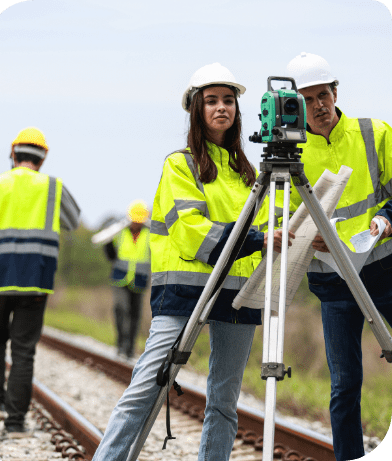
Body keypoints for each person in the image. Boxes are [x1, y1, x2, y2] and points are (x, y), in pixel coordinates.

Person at [92, 63, 294, 461]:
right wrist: (257, 239)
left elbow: (273, 221)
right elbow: (191, 231)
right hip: (186, 292)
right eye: (212, 101)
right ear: (196, 110)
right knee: (147, 387)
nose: (223, 108)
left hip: (238, 294)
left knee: (224, 403)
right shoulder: (180, 164)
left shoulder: (246, 172)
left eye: (229, 100)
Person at [286, 52, 392, 461]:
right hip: (333, 284)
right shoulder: (291, 153)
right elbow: (278, 223)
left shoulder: (374, 133)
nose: (319, 106)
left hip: (383, 269)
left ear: (335, 92)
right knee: (344, 384)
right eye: (308, 99)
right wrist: (305, 236)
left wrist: (385, 220)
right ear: (296, 105)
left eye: (324, 95)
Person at [0, 127, 80, 437]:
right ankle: (14, 423)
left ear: (13, 154)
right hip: (35, 280)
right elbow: (72, 222)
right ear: (43, 157)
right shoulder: (52, 187)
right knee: (24, 350)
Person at [103, 200, 151, 359]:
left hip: (139, 280)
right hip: (120, 278)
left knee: (135, 314)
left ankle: (129, 349)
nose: (136, 223)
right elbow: (110, 254)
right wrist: (108, 244)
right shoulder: (120, 232)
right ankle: (121, 345)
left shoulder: (149, 233)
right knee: (121, 309)